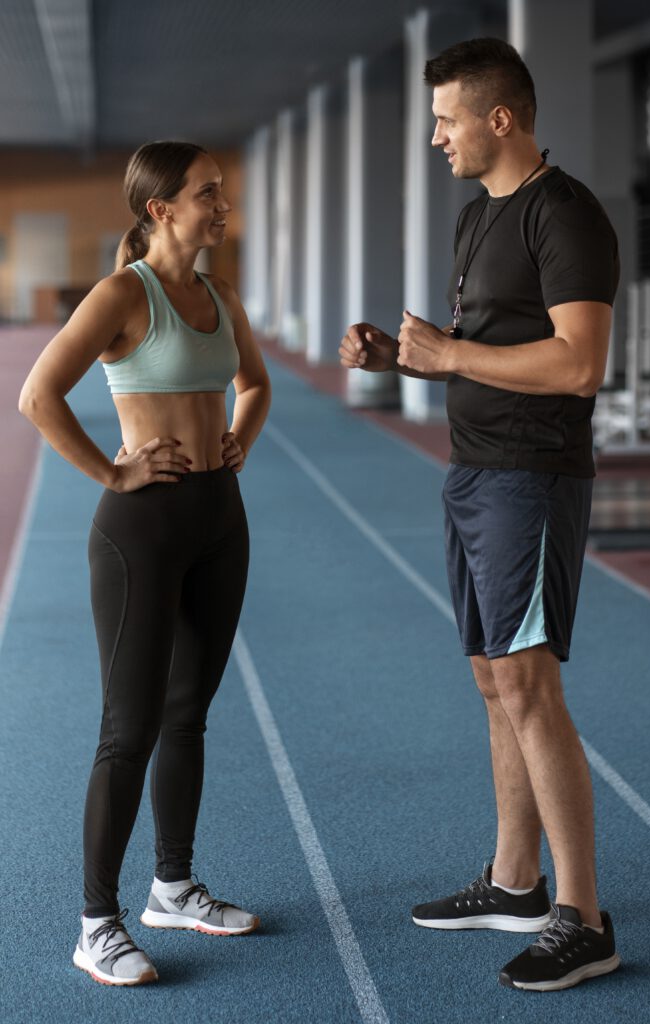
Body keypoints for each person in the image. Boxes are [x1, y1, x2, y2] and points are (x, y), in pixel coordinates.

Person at [340, 38, 620, 992]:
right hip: (474, 472)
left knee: (529, 686)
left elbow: (581, 363)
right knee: (494, 683)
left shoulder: (565, 215)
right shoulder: (476, 218)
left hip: (532, 478)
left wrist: (452, 361)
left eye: (447, 119)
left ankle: (583, 916)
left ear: (500, 118)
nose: (435, 137)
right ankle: (516, 881)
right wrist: (403, 356)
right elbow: (483, 341)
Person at [19, 141, 271, 986]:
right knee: (128, 731)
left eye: (222, 192)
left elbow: (256, 385)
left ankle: (173, 885)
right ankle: (97, 923)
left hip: (218, 520)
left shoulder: (220, 295)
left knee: (188, 714)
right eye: (208, 194)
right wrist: (113, 470)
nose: (222, 205)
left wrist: (241, 439)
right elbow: (38, 395)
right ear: (161, 208)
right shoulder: (124, 294)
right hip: (143, 529)